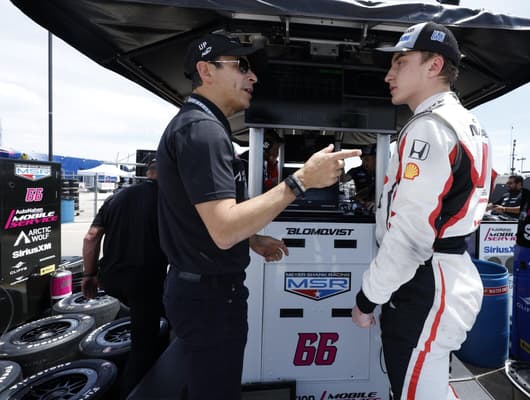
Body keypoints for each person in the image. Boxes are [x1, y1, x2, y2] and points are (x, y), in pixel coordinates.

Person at [156, 33, 361, 400]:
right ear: (206, 70)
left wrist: (251, 239)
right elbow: (222, 230)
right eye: (242, 66)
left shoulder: (199, 127)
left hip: (202, 291)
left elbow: (204, 218)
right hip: (210, 297)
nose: (253, 78)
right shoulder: (202, 131)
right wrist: (301, 181)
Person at [351, 22, 493, 400]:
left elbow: (411, 237)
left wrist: (368, 298)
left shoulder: (430, 127)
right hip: (445, 275)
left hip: (428, 282)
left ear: (433, 65)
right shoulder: (465, 121)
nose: (388, 75)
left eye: (400, 62)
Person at [81, 158, 167, 399]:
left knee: (142, 319)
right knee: (144, 345)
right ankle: (133, 392)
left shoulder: (116, 197)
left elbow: (91, 237)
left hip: (111, 278)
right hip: (145, 280)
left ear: (147, 172)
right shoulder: (169, 200)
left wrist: (88, 274)